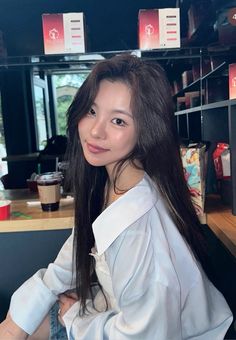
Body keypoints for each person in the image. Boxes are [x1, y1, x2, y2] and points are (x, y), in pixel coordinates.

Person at [0, 54, 233, 339]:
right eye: (92, 111)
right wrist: (14, 323)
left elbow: (143, 335)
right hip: (112, 315)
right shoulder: (114, 184)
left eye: (119, 121)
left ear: (147, 131)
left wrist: (74, 318)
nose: (96, 131)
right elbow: (68, 262)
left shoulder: (140, 231)